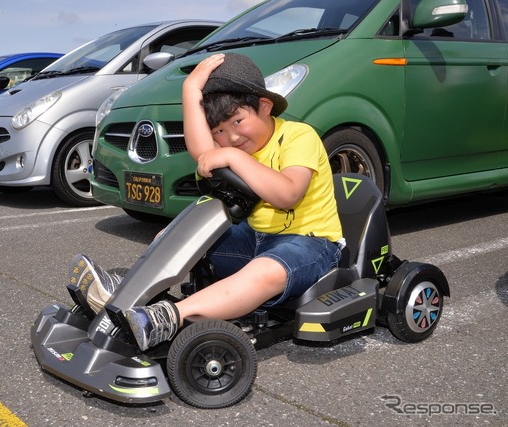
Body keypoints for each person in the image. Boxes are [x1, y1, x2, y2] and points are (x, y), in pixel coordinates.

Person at [72, 53, 344, 351]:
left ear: (264, 107)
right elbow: (203, 154)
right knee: (177, 235)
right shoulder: (235, 145)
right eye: (219, 131)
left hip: (311, 244)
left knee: (265, 270)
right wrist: (190, 89)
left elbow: (288, 193)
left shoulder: (297, 136)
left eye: (238, 121)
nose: (232, 137)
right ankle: (123, 298)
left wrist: (234, 158)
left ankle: (167, 318)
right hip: (255, 239)